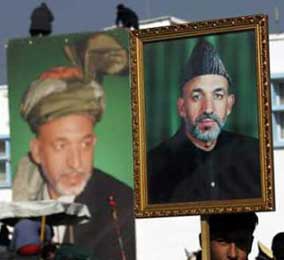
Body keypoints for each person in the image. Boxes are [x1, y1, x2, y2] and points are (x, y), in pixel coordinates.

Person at [12, 67, 135, 260]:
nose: (76, 163)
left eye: (85, 144)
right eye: (61, 146)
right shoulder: (21, 201)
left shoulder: (125, 209)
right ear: (37, 151)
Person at [148, 39, 261, 204]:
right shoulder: (154, 165)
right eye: (196, 96)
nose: (208, 108)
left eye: (218, 96)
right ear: (181, 107)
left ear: (229, 105)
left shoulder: (253, 154)